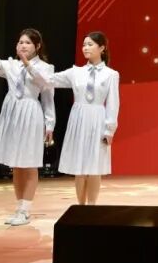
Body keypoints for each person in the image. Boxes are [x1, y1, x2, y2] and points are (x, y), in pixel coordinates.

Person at [0, 23, 56, 225]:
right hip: (12, 114)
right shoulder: (10, 65)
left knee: (29, 164)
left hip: (30, 113)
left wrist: (50, 124)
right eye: (20, 42)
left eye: (28, 42)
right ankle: (19, 208)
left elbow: (47, 95)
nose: (23, 45)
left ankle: (25, 210)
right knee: (16, 165)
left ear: (37, 46)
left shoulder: (45, 68)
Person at [29, 32, 118, 205]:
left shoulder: (111, 74)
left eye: (90, 44)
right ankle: (81, 207)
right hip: (79, 119)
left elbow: (113, 104)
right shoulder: (76, 72)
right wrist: (30, 67)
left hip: (98, 119)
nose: (85, 48)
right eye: (84, 44)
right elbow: (49, 80)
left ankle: (91, 206)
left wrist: (110, 129)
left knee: (94, 167)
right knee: (80, 166)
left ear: (102, 48)